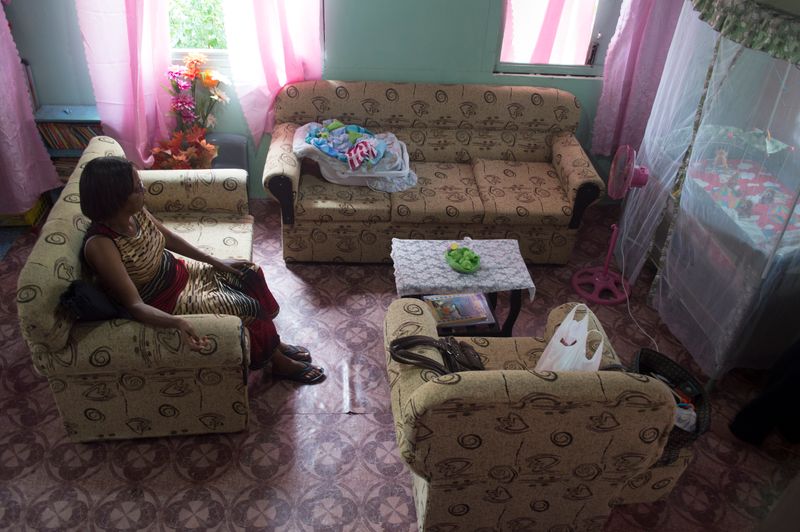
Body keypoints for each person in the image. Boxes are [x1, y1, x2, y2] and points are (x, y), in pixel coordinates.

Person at [78, 156, 325, 384]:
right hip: (165, 298)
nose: (144, 190)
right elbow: (134, 305)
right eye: (136, 189)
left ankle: (275, 344)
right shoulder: (101, 244)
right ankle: (278, 362)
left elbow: (168, 238)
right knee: (246, 307)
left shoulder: (136, 213)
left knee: (249, 272)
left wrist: (215, 260)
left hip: (180, 271)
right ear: (115, 198)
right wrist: (177, 322)